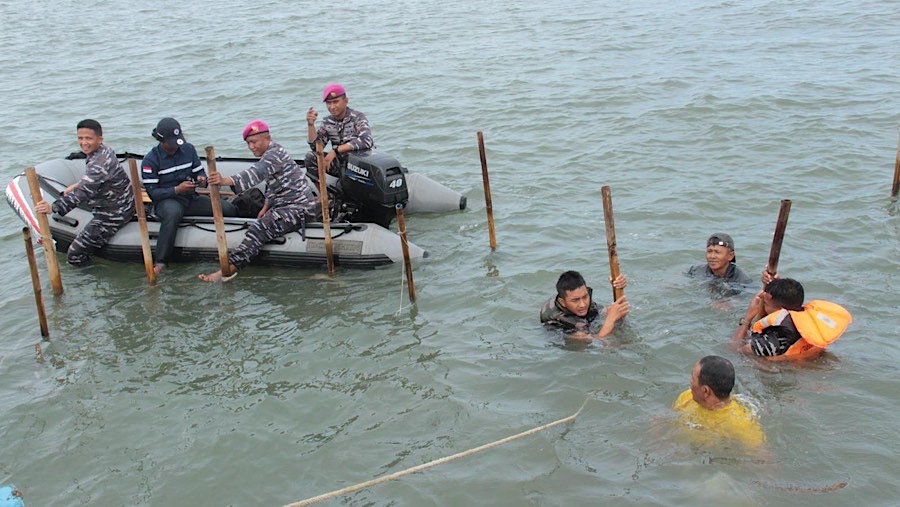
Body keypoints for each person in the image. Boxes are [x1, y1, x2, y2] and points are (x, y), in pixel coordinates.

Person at [198, 120, 317, 282]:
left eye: (253, 142)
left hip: (299, 208)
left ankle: (227, 271)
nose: (251, 147)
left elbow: (256, 173)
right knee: (257, 212)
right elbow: (273, 184)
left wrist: (225, 180)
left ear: (267, 138)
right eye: (248, 143)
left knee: (258, 229)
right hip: (286, 204)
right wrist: (266, 206)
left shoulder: (273, 155)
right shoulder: (272, 153)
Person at [141, 117, 237, 273]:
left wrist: (201, 180)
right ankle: (161, 261)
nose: (175, 147)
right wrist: (176, 190)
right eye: (171, 144)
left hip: (190, 198)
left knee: (227, 208)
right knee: (173, 212)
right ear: (161, 141)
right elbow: (153, 193)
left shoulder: (188, 149)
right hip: (166, 201)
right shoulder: (150, 161)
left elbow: (198, 171)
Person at [33, 119, 135, 266]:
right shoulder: (105, 150)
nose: (84, 143)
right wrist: (78, 183)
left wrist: (53, 208)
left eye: (88, 138)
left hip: (113, 213)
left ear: (100, 139)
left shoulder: (99, 162)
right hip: (121, 201)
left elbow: (83, 193)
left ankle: (95, 279)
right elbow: (96, 180)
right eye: (80, 138)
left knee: (75, 255)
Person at [731, 276, 852, 360]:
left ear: (780, 310)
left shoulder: (774, 340)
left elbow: (735, 349)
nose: (763, 306)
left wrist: (747, 318)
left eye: (766, 304)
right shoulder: (806, 321)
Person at [673, 355, 765, 449]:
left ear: (705, 391)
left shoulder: (739, 423)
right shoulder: (687, 396)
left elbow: (762, 455)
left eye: (692, 378)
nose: (691, 383)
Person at [304, 83, 375, 177]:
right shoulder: (327, 122)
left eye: (335, 102)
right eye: (329, 103)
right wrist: (311, 125)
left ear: (346, 101)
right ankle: (324, 191)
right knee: (311, 157)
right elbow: (316, 148)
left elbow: (366, 141)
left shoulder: (357, 117)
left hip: (361, 166)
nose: (332, 107)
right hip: (341, 164)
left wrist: (336, 150)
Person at [540, 270, 630, 340]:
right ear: (563, 302)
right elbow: (599, 340)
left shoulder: (580, 297)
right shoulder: (559, 320)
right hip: (565, 331)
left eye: (585, 297)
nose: (583, 304)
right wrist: (610, 319)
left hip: (576, 313)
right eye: (575, 300)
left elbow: (613, 310)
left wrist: (617, 286)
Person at [686, 233, 753, 285]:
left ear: (731, 256)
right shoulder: (695, 270)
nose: (712, 256)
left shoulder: (743, 280)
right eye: (709, 251)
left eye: (717, 252)